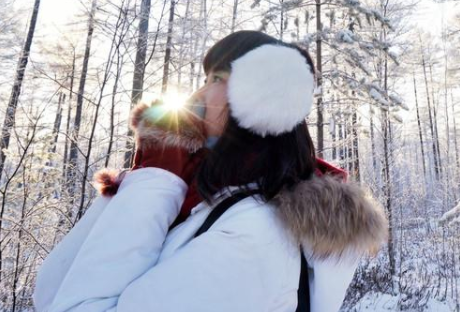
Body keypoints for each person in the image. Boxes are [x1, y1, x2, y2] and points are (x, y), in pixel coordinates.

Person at [32, 30, 388, 312]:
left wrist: (156, 182)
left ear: (261, 99)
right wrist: (147, 182)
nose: (199, 92)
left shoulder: (255, 236)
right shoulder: (202, 201)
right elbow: (51, 292)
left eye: (217, 77)